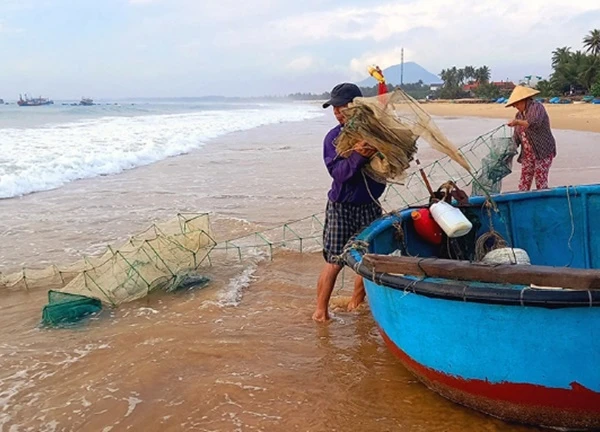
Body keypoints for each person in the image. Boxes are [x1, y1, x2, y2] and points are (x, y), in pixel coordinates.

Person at [312, 83, 386, 323]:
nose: (337, 112)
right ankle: (320, 312)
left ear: (356, 107)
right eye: (334, 108)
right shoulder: (333, 138)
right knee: (335, 261)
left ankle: (356, 303)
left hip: (370, 205)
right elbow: (339, 174)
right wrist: (357, 156)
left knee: (368, 259)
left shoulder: (377, 132)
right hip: (341, 206)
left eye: (341, 107)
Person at [505, 85, 557, 191]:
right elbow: (517, 137)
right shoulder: (518, 115)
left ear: (524, 100)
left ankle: (543, 202)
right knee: (524, 182)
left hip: (543, 151)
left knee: (540, 180)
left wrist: (517, 122)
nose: (516, 106)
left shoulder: (537, 107)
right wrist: (508, 150)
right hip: (528, 154)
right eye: (514, 105)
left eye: (517, 103)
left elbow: (534, 123)